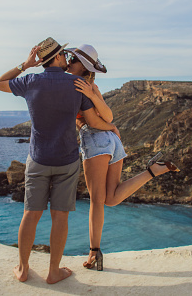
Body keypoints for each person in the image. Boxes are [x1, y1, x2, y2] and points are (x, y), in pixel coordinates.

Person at [0, 37, 119, 284]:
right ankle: (53, 272)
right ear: (60, 57)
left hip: (38, 158)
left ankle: (23, 269)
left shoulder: (30, 80)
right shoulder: (76, 83)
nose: (68, 59)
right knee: (60, 217)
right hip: (67, 160)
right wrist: (112, 127)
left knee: (30, 214)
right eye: (65, 55)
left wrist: (25, 65)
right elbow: (94, 122)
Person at [65, 44, 180, 271]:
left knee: (97, 201)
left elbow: (105, 116)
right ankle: (153, 170)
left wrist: (94, 106)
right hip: (112, 141)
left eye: (72, 59)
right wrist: (108, 125)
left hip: (97, 140)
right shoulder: (90, 85)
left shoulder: (77, 85)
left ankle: (94, 252)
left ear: (82, 64)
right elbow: (101, 118)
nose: (68, 62)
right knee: (112, 198)